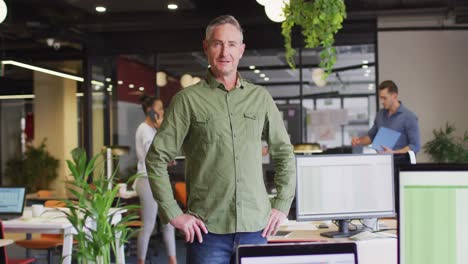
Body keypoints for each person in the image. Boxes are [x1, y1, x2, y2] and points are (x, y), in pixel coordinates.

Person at [145, 15, 296, 264]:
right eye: (217, 43)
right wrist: (173, 213)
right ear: (206, 48)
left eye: (232, 44)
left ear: (241, 50)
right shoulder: (187, 100)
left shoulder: (260, 98)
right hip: (207, 233)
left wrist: (281, 204)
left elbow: (283, 152)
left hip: (255, 229)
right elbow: (156, 158)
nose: (225, 51)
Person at [134, 95, 177, 264]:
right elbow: (152, 154)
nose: (162, 112)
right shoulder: (144, 129)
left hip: (159, 178)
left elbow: (164, 154)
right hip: (147, 179)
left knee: (169, 221)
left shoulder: (153, 130)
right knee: (149, 225)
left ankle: (173, 260)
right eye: (159, 109)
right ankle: (140, 261)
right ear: (150, 111)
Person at [351, 80, 421, 158]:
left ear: (394, 96)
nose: (382, 101)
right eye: (380, 98)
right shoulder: (380, 115)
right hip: (382, 163)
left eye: (384, 98)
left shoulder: (409, 117)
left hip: (401, 166)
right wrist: (359, 141)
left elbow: (415, 146)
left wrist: (393, 153)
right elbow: (372, 137)